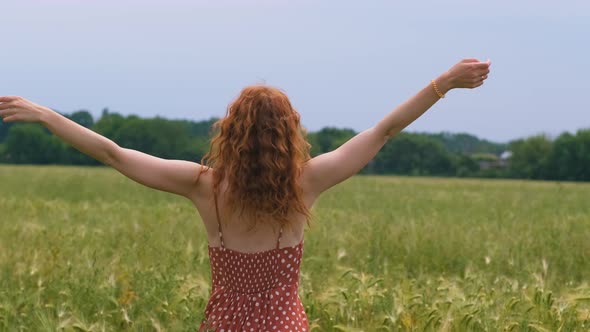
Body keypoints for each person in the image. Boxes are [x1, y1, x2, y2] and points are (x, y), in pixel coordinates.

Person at [0, 58, 490, 331]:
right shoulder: (307, 182)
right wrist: (442, 83)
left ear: (230, 132)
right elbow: (384, 130)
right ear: (289, 135)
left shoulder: (201, 185)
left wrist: (46, 115)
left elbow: (113, 153)